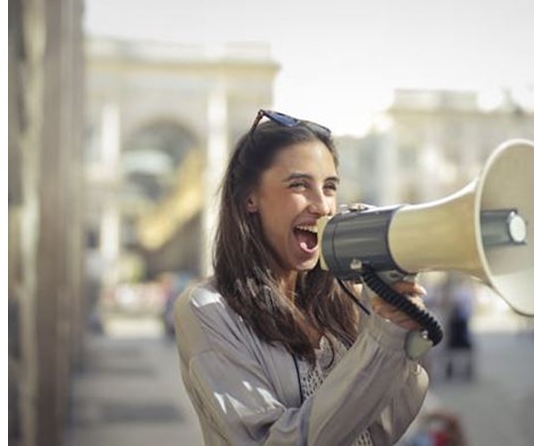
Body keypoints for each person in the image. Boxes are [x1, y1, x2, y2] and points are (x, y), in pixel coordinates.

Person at [173, 109, 430, 445]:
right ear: (250, 197)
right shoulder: (207, 310)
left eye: (330, 187)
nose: (322, 206)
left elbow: (376, 431)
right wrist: (379, 342)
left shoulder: (345, 299)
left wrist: (396, 332)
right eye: (299, 185)